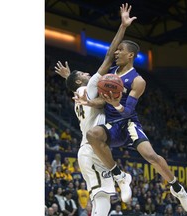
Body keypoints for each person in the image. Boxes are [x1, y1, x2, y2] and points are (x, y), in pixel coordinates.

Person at [75, 27, 187, 215]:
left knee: (151, 156)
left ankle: (178, 190)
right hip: (112, 125)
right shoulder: (109, 73)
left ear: (130, 55)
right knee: (92, 135)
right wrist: (90, 101)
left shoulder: (138, 80)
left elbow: (128, 110)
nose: (117, 52)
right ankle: (119, 176)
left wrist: (117, 104)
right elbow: (102, 101)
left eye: (120, 50)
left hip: (128, 122)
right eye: (117, 49)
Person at [54, 3, 136, 215]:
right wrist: (123, 27)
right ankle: (121, 176)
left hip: (88, 150)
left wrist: (69, 76)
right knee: (101, 196)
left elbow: (77, 84)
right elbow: (109, 55)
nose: (88, 74)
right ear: (81, 80)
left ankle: (120, 178)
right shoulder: (89, 88)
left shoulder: (78, 95)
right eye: (83, 73)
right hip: (92, 149)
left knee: (102, 196)